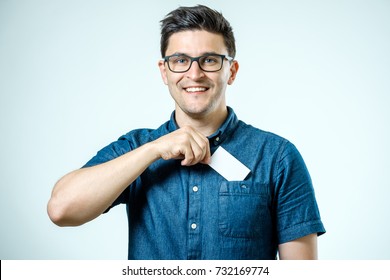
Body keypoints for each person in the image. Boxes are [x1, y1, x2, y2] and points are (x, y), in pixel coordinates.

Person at [47, 5, 325, 260]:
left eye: (209, 60)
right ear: (164, 71)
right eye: (180, 60)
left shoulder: (277, 157)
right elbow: (61, 209)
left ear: (232, 70)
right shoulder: (136, 146)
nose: (194, 74)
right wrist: (153, 150)